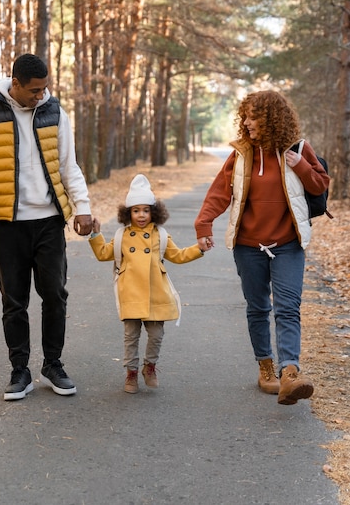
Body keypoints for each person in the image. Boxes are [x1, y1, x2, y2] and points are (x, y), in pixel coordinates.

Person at [0, 53, 92, 401]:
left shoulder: (54, 112)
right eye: (34, 90)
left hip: (49, 221)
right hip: (7, 223)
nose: (40, 96)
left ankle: (53, 364)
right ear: (14, 83)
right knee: (13, 301)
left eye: (45, 88)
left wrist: (83, 207)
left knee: (55, 296)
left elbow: (68, 164)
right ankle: (20, 371)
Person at [195, 90, 330, 405]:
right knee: (258, 307)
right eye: (245, 116)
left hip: (287, 244)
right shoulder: (242, 154)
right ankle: (265, 367)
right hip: (247, 245)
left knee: (287, 307)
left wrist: (300, 166)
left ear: (271, 118)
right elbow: (219, 192)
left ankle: (290, 373)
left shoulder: (298, 149)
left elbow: (320, 185)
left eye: (253, 116)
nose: (246, 122)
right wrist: (204, 224)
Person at [89, 174, 205, 393]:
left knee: (156, 335)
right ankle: (131, 373)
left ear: (154, 211)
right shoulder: (122, 235)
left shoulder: (160, 235)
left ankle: (149, 366)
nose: (141, 215)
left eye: (145, 210)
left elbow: (178, 255)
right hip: (130, 292)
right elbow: (104, 253)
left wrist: (199, 248)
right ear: (128, 213)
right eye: (135, 210)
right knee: (130, 337)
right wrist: (96, 234)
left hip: (156, 294)